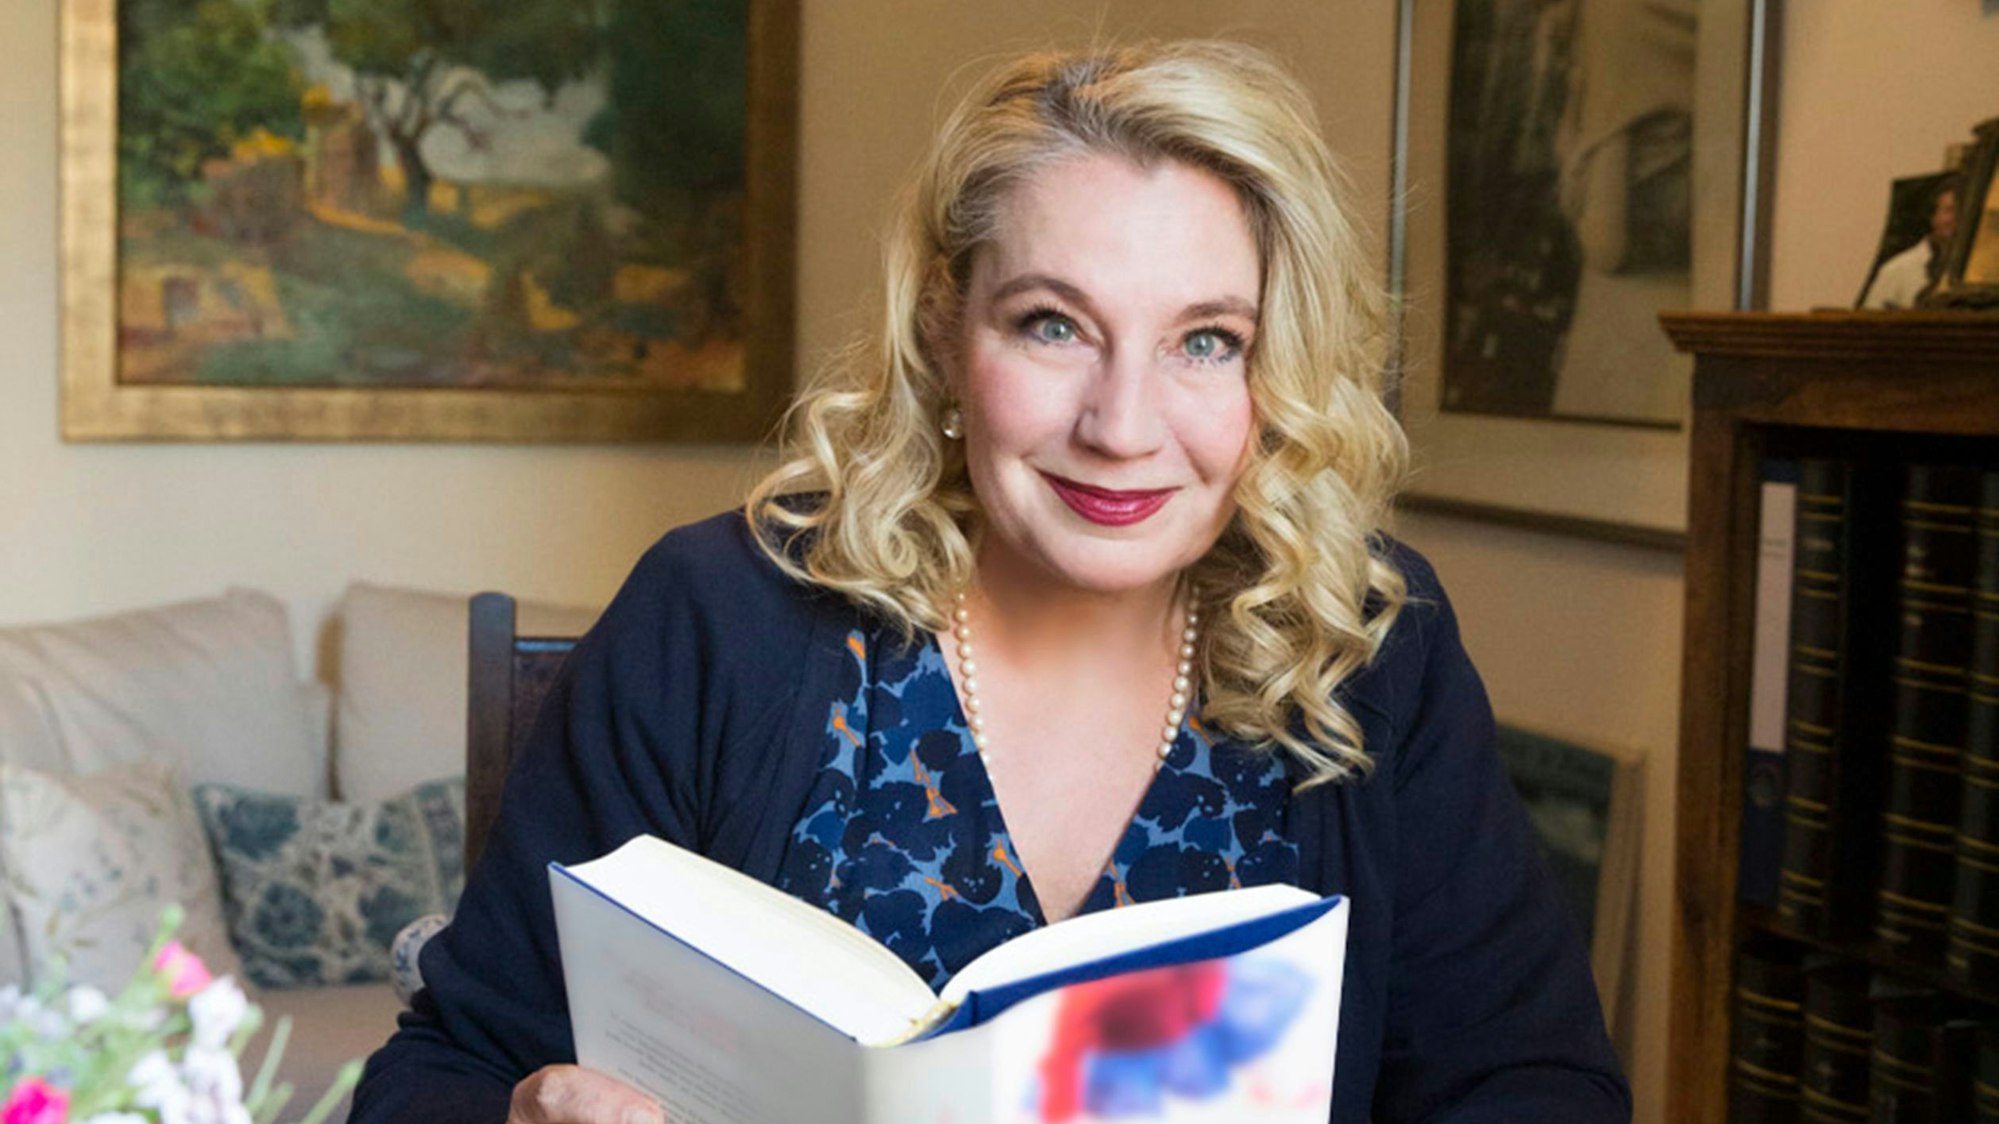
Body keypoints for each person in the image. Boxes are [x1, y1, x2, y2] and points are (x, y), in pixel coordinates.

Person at [350, 41, 1630, 1124]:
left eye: (1205, 341)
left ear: (1270, 371)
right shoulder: (720, 618)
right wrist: (523, 1113)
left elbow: (1531, 1085)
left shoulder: (1365, 642)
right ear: (947, 339)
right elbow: (437, 1069)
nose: (1125, 424)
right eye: (1052, 324)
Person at [1863, 176, 1962, 309]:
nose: (1959, 218)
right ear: (1933, 217)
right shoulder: (1897, 270)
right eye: (1950, 210)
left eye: (1964, 211)